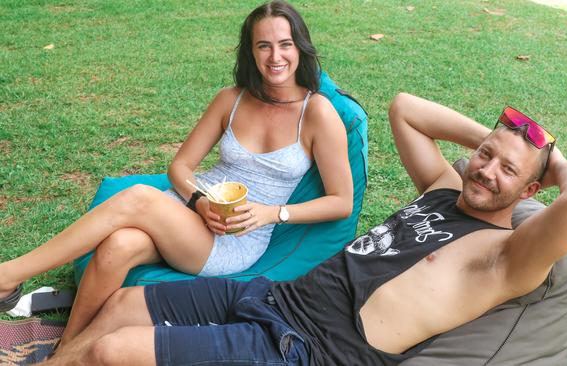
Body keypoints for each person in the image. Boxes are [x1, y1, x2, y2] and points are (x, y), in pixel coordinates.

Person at [39, 93, 567, 366]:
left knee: (113, 353)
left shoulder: (507, 256)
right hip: (277, 298)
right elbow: (404, 108)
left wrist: (545, 159)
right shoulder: (442, 189)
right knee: (119, 307)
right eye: (484, 155)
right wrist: (508, 140)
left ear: (533, 192)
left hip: (308, 350)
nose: (485, 170)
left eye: (507, 171)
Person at [0, 0, 353, 348]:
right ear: (250, 51)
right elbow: (180, 167)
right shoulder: (231, 100)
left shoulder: (317, 112)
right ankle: (69, 349)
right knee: (118, 246)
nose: (275, 57)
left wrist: (272, 214)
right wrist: (198, 202)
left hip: (234, 239)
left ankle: (9, 274)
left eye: (285, 44)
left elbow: (342, 202)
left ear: (300, 47)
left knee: (138, 196)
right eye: (264, 45)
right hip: (188, 212)